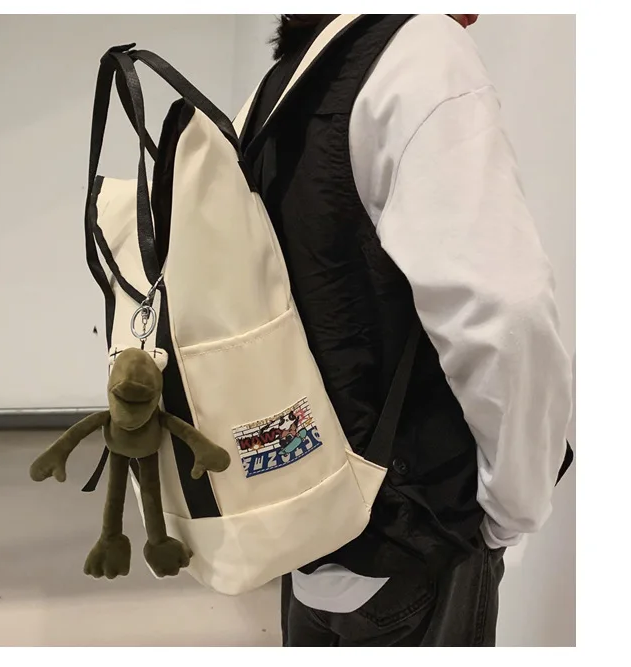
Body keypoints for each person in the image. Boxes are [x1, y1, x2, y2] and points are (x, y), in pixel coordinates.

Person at [238, 14, 573, 646]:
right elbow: (510, 313)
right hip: (416, 551)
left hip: (308, 532)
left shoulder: (280, 85)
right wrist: (509, 515)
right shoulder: (423, 52)